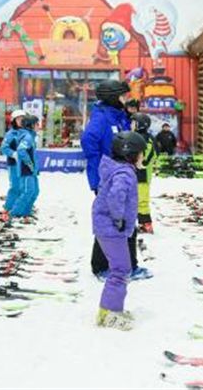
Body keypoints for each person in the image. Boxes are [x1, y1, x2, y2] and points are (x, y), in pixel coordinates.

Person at [81, 80, 148, 279]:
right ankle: (101, 266)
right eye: (122, 95)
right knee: (108, 222)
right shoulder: (102, 118)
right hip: (109, 176)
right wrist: (101, 168)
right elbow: (88, 141)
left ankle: (129, 264)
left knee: (128, 219)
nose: (125, 99)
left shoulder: (118, 115)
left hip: (123, 172)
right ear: (112, 97)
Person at [93, 131, 146, 331]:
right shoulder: (125, 174)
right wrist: (119, 218)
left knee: (120, 268)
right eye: (141, 153)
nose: (142, 157)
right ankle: (109, 313)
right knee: (121, 270)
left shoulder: (117, 169)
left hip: (106, 226)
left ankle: (110, 310)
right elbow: (115, 195)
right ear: (130, 153)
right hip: (111, 227)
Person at [131, 113, 157, 233]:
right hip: (135, 173)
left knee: (142, 200)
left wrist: (142, 163)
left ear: (140, 124)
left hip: (142, 174)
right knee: (134, 199)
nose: (131, 125)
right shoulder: (135, 136)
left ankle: (146, 223)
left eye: (133, 123)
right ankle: (136, 222)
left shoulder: (146, 138)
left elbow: (151, 154)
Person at [11, 115, 40, 218]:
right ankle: (14, 213)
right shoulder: (27, 137)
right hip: (26, 170)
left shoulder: (31, 136)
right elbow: (21, 150)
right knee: (28, 191)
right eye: (37, 124)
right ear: (31, 125)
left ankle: (25, 213)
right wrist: (29, 163)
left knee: (35, 192)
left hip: (32, 170)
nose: (39, 126)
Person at [0, 109, 26, 222]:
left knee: (24, 186)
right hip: (14, 164)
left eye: (23, 119)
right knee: (15, 186)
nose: (21, 121)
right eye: (18, 119)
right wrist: (13, 154)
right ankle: (7, 207)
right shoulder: (11, 134)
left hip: (25, 164)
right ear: (14, 121)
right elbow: (4, 148)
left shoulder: (27, 133)